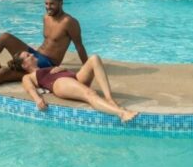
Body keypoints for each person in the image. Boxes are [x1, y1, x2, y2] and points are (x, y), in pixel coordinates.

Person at [10, 50, 138, 123]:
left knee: (94, 58)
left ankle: (109, 98)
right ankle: (121, 113)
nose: (32, 55)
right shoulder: (28, 76)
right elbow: (29, 88)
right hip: (59, 83)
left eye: (29, 54)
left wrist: (62, 68)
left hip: (73, 77)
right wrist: (37, 99)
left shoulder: (44, 68)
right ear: (24, 65)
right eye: (28, 56)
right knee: (90, 93)